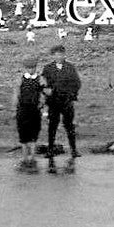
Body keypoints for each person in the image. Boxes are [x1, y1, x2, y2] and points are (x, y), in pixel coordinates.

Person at [41, 44, 81, 172]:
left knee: (69, 126)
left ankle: (73, 150)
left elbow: (77, 83)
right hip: (53, 101)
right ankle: (50, 149)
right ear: (53, 56)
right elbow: (42, 84)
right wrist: (45, 91)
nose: (59, 57)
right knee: (52, 126)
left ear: (64, 55)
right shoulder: (47, 68)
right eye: (56, 54)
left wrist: (71, 95)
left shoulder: (70, 67)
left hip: (67, 101)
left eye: (61, 54)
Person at [14, 56, 43, 172]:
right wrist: (14, 108)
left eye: (33, 68)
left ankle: (32, 158)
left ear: (35, 68)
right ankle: (25, 158)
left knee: (34, 134)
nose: (31, 70)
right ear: (25, 68)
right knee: (23, 134)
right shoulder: (20, 79)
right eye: (29, 68)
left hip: (35, 109)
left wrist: (42, 105)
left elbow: (43, 94)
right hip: (22, 109)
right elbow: (16, 94)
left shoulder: (40, 79)